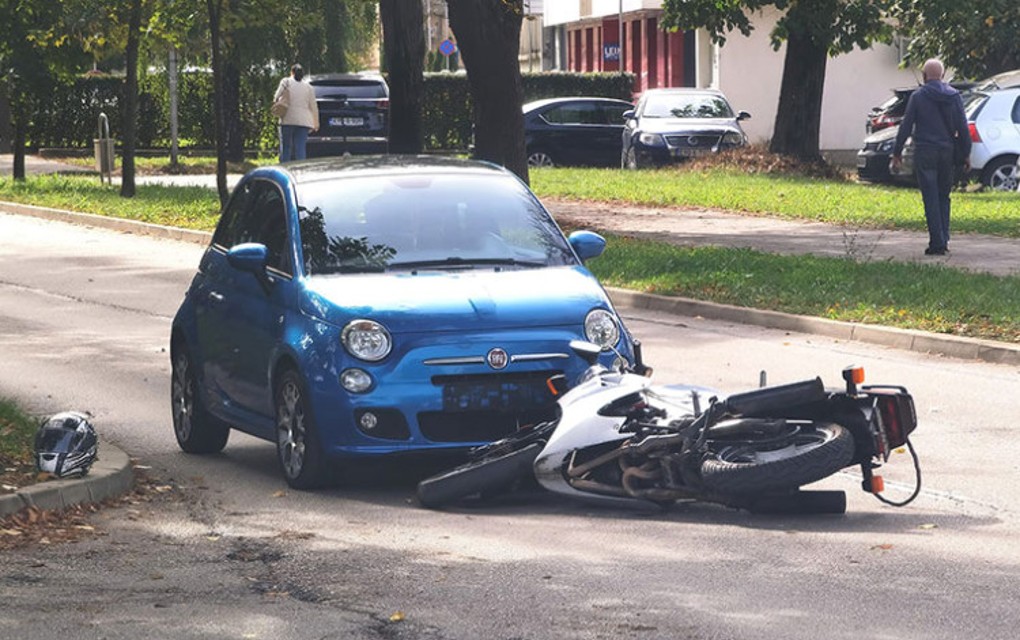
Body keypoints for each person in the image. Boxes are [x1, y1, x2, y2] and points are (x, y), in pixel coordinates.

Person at [891, 58, 971, 256]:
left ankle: (937, 242)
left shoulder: (918, 97)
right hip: (947, 151)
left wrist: (897, 152)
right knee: (944, 195)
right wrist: (966, 153)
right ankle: (944, 238)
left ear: (925, 76)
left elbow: (906, 125)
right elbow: (963, 127)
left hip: (925, 150)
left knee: (930, 196)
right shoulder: (954, 97)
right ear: (943, 76)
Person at [274, 64, 319, 162]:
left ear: (292, 72)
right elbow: (313, 106)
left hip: (287, 120)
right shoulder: (309, 87)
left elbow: (276, 96)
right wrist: (315, 123)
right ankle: (301, 170)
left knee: (286, 147)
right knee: (300, 148)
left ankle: (285, 169)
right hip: (304, 122)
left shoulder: (286, 82)